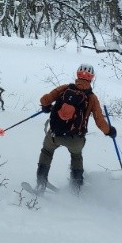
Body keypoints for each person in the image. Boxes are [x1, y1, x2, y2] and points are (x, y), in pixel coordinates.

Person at [36, 63, 116, 192]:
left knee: (47, 151)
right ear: (92, 78)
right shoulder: (92, 98)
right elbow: (99, 121)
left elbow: (44, 100)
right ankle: (76, 188)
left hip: (55, 134)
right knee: (76, 156)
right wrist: (110, 131)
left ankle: (41, 182)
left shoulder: (65, 88)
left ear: (77, 74)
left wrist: (46, 107)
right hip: (76, 138)